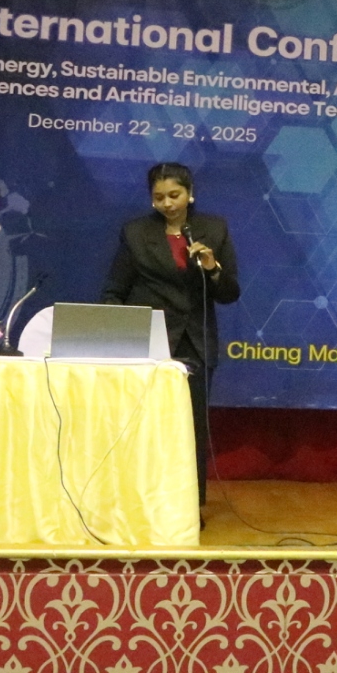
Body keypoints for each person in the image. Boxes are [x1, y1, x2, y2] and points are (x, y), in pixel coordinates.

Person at [100, 161, 239, 505]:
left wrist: (212, 269)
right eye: (159, 197)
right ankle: (138, 502)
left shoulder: (214, 229)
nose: (167, 203)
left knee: (191, 429)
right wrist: (120, 335)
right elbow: (114, 290)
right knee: (143, 427)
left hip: (195, 342)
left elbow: (229, 294)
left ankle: (188, 506)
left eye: (174, 195)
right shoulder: (136, 232)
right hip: (147, 343)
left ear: (190, 194)